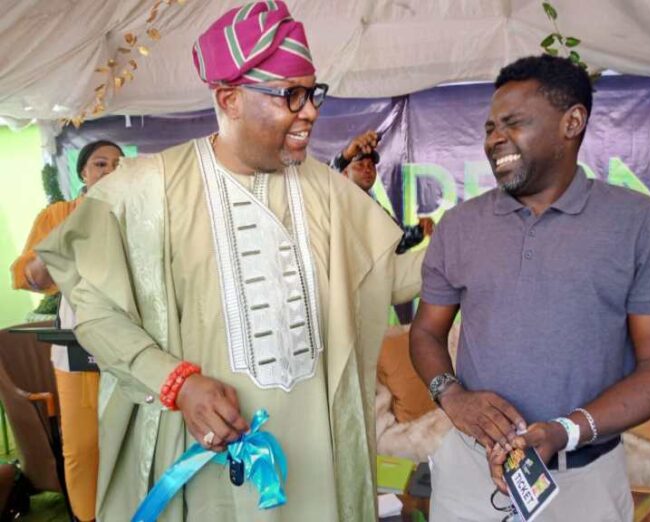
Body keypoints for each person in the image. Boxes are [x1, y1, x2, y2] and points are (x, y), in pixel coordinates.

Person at [36, 2, 422, 521]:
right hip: (203, 460)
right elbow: (95, 308)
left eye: (313, 94)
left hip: (317, 460)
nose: (310, 111)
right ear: (230, 99)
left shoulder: (327, 191)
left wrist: (475, 238)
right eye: (291, 95)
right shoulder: (147, 190)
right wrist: (176, 382)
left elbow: (388, 277)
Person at [409, 54, 650, 521]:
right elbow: (425, 332)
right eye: (489, 127)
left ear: (572, 122)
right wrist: (451, 395)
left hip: (585, 482)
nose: (494, 139)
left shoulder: (642, 226)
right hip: (470, 477)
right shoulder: (459, 226)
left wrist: (565, 430)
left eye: (514, 123)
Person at [11, 140, 124, 522]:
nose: (110, 170)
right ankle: (86, 517)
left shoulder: (139, 211)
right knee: (83, 445)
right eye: (101, 164)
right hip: (78, 348)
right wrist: (74, 229)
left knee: (132, 438)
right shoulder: (59, 215)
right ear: (83, 173)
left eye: (119, 164)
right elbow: (30, 275)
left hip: (134, 346)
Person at [330, 130, 434, 253]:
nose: (367, 170)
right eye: (360, 165)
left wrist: (420, 230)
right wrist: (346, 155)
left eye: (371, 165)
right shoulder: (337, 198)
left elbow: (395, 242)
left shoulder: (375, 206)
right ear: (345, 173)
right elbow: (326, 181)